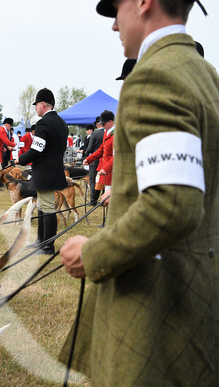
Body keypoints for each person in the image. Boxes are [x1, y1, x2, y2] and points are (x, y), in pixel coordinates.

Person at [59, 1, 218, 385]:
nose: (114, 25)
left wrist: (92, 252)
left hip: (155, 304)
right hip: (196, 293)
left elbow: (173, 205)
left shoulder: (153, 77)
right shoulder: (205, 74)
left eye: (116, 8)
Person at [18, 88, 68, 254]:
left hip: (45, 172)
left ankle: (48, 246)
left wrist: (21, 159)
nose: (35, 109)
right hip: (54, 170)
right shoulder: (61, 122)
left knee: (47, 207)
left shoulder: (43, 123)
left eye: (36, 105)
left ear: (42, 105)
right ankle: (40, 241)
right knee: (41, 205)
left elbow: (36, 150)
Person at [84, 116, 104, 204]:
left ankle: (93, 200)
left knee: (92, 180)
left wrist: (85, 153)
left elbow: (90, 148)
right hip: (104, 160)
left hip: (94, 160)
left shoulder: (94, 134)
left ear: (97, 124)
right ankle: (104, 198)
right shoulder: (108, 133)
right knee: (104, 179)